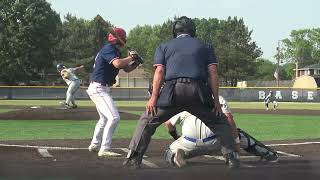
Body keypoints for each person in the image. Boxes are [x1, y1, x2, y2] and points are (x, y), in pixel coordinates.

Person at [123, 16, 240, 169]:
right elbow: (213, 73)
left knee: (147, 120)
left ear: (175, 31)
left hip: (173, 91)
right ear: (192, 31)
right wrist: (216, 102)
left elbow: (159, 72)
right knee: (220, 122)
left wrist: (153, 98)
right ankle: (231, 158)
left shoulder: (163, 46)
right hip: (198, 91)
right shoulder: (206, 46)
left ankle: (134, 158)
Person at [163, 96, 279, 167]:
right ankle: (268, 155)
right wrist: (236, 143)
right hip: (216, 141)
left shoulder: (184, 101)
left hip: (189, 143)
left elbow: (168, 124)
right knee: (238, 134)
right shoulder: (218, 98)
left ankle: (175, 157)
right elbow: (230, 121)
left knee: (168, 152)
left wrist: (176, 137)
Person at [86, 27, 140, 157]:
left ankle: (94, 144)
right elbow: (117, 64)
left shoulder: (113, 50)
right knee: (114, 117)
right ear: (119, 39)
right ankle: (104, 148)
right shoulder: (109, 49)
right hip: (99, 88)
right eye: (124, 37)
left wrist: (135, 62)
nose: (125, 40)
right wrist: (130, 57)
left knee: (104, 119)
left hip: (101, 88)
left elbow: (126, 69)